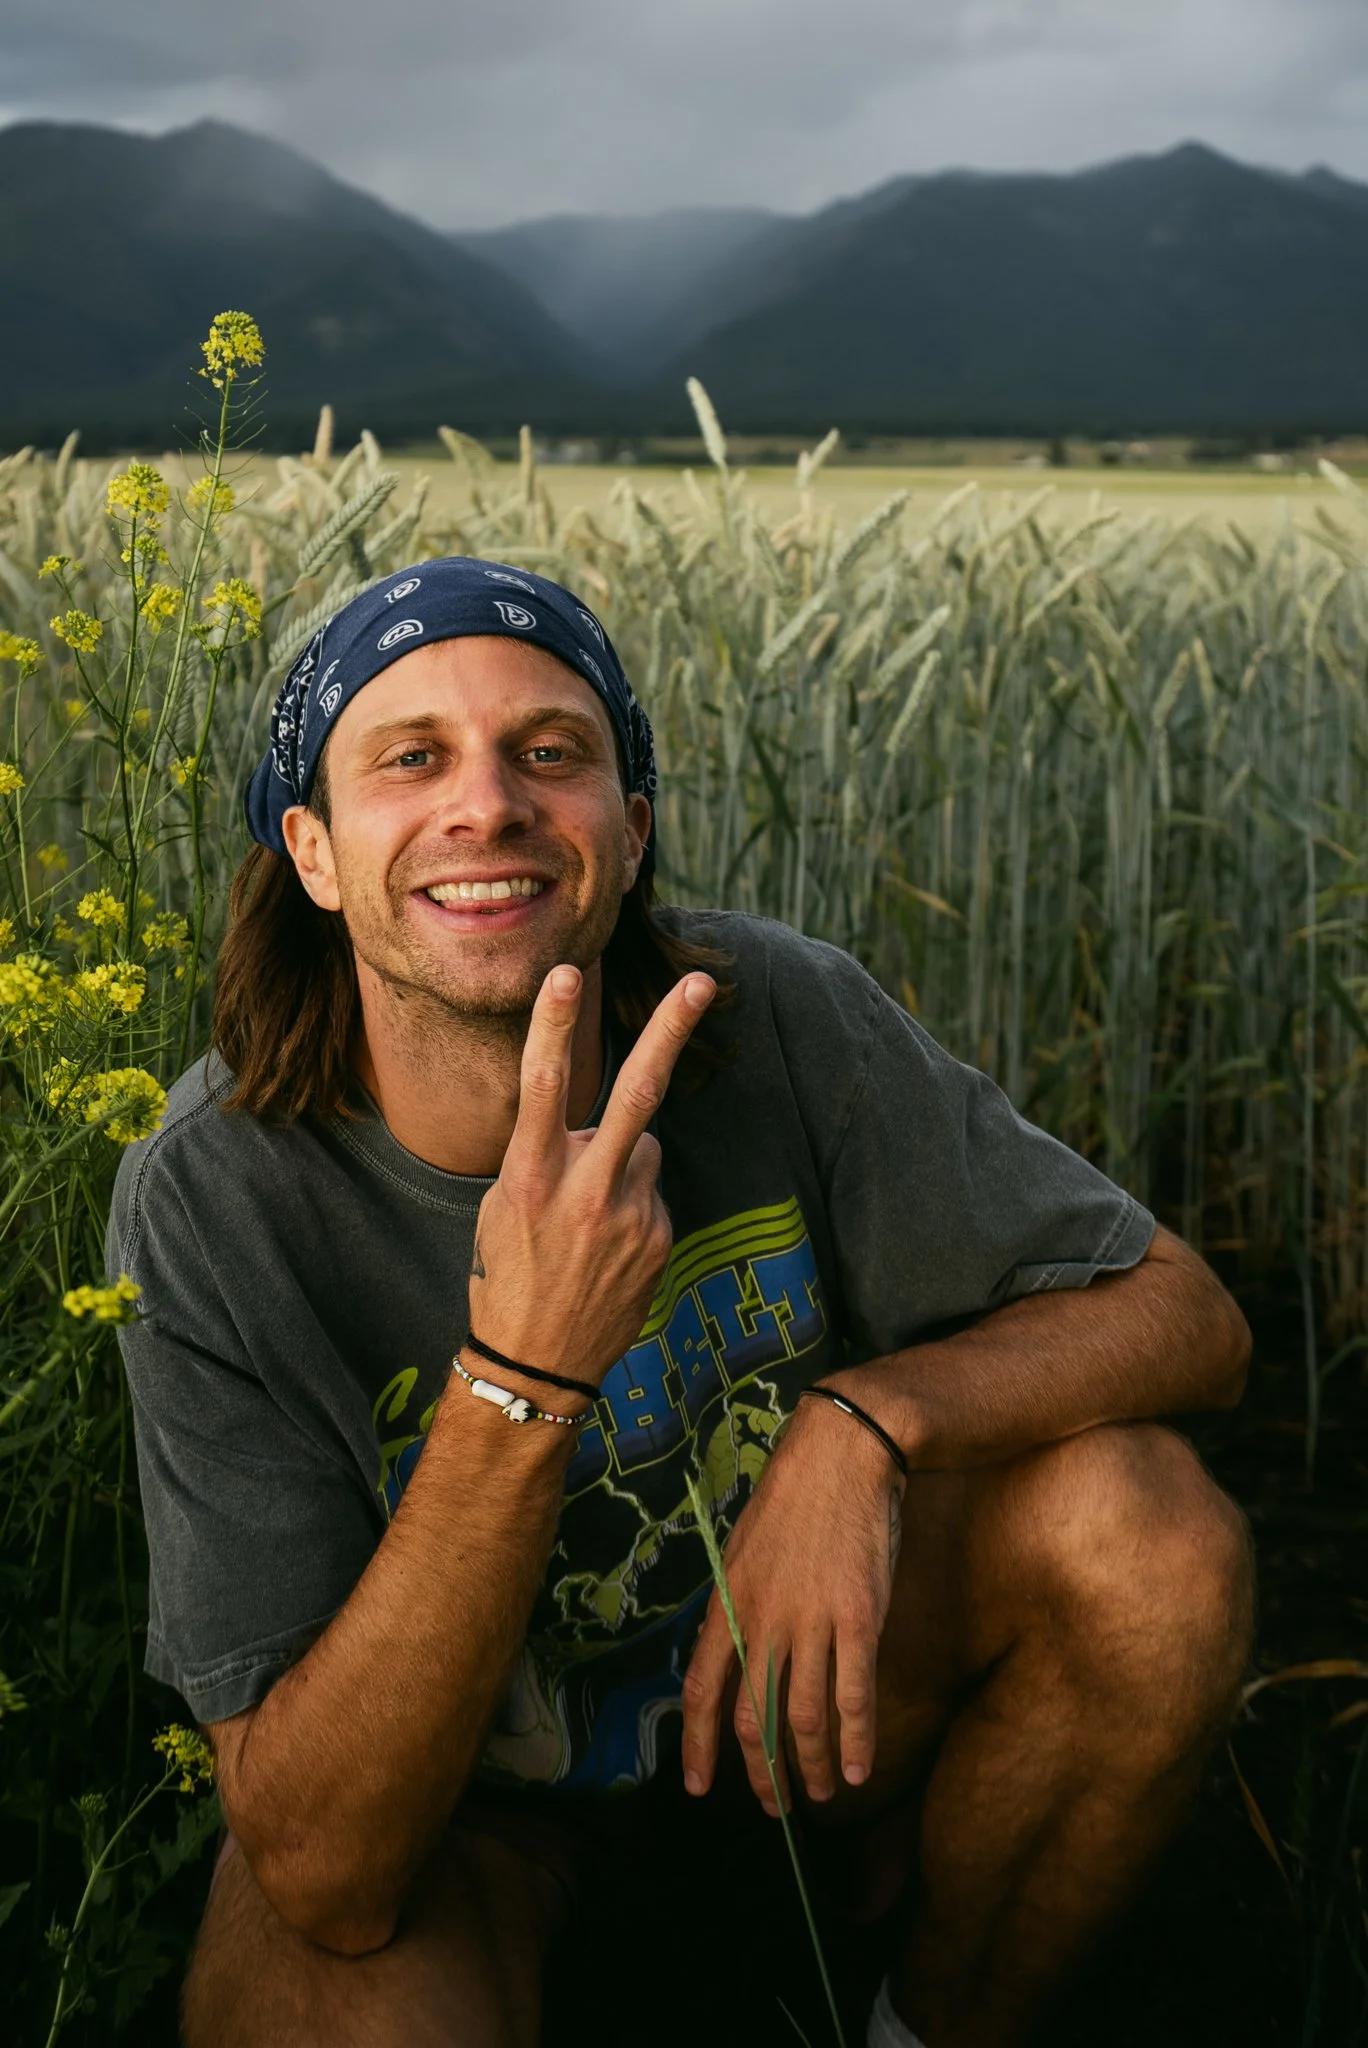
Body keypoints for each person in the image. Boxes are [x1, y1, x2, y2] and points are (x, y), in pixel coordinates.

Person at [109, 556, 1253, 2048]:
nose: (489, 807)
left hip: (811, 1730)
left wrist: (865, 1422)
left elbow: (1193, 1321)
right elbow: (327, 1869)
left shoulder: (770, 1017)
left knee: (1146, 1535)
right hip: (470, 1823)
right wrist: (523, 1371)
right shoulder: (212, 1199)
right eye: (411, 759)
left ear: (629, 832)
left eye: (550, 752)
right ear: (313, 851)